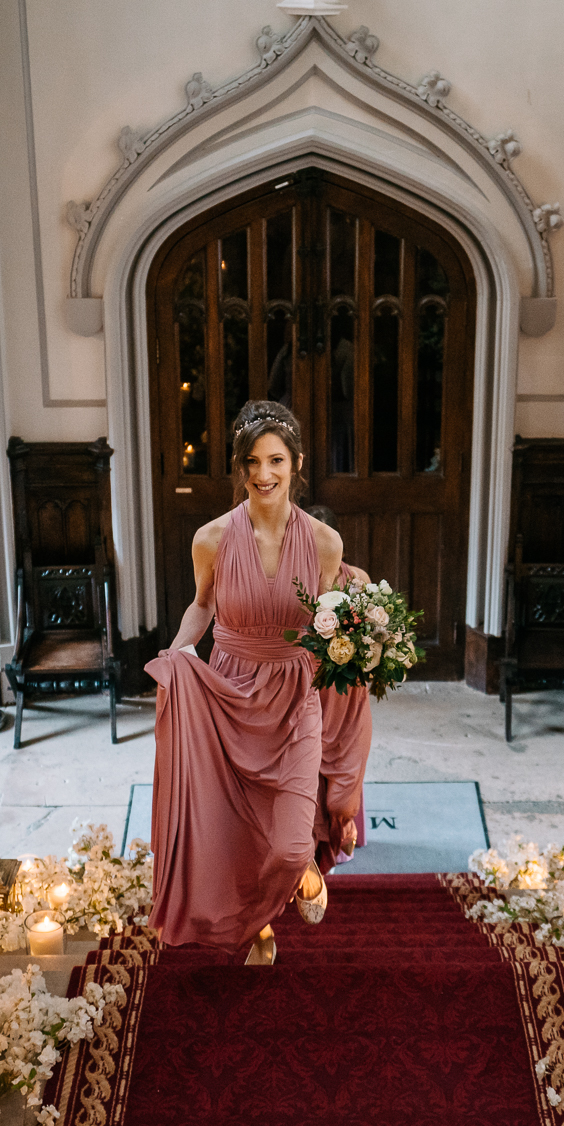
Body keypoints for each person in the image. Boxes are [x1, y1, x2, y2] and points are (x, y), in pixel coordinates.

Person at [145, 401, 346, 965]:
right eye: (253, 462)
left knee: (286, 847)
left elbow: (333, 623)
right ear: (240, 467)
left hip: (294, 698)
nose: (264, 474)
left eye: (276, 460)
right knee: (233, 831)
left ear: (296, 463)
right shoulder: (211, 539)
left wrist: (366, 645)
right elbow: (202, 606)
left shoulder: (325, 544)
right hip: (230, 694)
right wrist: (179, 651)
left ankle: (301, 866)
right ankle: (258, 927)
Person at [305, 505, 369, 873]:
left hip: (348, 696)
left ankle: (342, 830)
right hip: (308, 691)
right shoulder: (291, 585)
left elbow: (373, 637)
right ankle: (309, 857)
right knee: (307, 778)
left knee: (344, 786)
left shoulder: (357, 579)